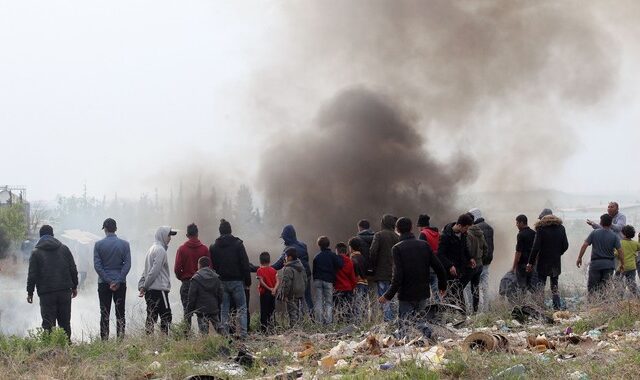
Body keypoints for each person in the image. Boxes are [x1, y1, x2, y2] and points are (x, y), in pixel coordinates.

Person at [379, 217, 447, 339]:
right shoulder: (424, 245)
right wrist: (443, 286)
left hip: (406, 294)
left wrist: (387, 295)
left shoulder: (397, 248)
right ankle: (429, 337)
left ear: (397, 230)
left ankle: (409, 346)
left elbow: (398, 276)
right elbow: (439, 267)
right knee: (419, 320)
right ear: (411, 228)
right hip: (422, 292)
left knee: (405, 326)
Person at [27, 225, 79, 340]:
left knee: (48, 324)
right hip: (64, 291)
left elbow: (32, 275)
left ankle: (50, 351)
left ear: (40, 236)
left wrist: (30, 292)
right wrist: (74, 286)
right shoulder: (64, 249)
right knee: (65, 323)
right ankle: (66, 348)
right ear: (53, 235)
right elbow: (73, 269)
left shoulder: (36, 252)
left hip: (46, 293)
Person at [209, 219, 251, 339]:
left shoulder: (213, 247)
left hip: (222, 282)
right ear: (230, 230)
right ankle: (243, 334)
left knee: (224, 310)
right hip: (237, 282)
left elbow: (214, 266)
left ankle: (225, 336)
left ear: (220, 231)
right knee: (241, 308)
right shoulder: (238, 244)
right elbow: (245, 264)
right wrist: (248, 281)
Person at [93, 218, 131, 340]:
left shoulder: (98, 245)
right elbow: (127, 264)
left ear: (104, 229)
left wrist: (109, 281)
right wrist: (118, 280)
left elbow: (97, 266)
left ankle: (104, 341)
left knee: (104, 313)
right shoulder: (125, 244)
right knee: (120, 313)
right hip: (120, 284)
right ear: (115, 229)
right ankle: (120, 340)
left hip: (104, 284)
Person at [526, 209, 568, 310]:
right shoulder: (561, 228)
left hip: (543, 262)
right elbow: (565, 245)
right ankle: (557, 307)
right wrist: (558, 253)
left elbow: (535, 248)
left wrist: (530, 263)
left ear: (543, 217)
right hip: (555, 261)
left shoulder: (540, 229)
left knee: (541, 285)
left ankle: (540, 307)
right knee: (554, 286)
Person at [138, 226, 176, 335]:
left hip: (151, 290)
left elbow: (145, 270)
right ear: (162, 235)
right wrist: (144, 286)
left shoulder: (151, 249)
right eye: (169, 235)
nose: (170, 238)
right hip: (159, 290)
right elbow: (154, 270)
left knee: (151, 317)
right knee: (166, 315)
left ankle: (149, 340)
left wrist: (143, 285)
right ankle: (164, 340)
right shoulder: (160, 250)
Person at [174, 223, 211, 334]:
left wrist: (182, 278)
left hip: (187, 284)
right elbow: (210, 268)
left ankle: (186, 338)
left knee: (187, 312)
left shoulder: (182, 249)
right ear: (197, 234)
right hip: (202, 285)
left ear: (187, 235)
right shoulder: (204, 249)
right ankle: (204, 340)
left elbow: (177, 269)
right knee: (203, 313)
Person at [577, 214, 624, 296]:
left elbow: (585, 245)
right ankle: (604, 307)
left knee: (592, 288)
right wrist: (623, 264)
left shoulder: (594, 233)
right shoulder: (614, 236)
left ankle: (592, 306)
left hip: (595, 264)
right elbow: (620, 251)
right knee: (605, 289)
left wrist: (579, 258)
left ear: (601, 222)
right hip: (609, 265)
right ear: (610, 224)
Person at [438, 214, 476, 312]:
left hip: (460, 269)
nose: (466, 231)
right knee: (452, 294)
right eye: (466, 228)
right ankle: (450, 315)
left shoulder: (463, 234)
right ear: (459, 225)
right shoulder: (445, 236)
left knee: (458, 292)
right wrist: (450, 265)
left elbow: (464, 249)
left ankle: (460, 315)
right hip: (449, 272)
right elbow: (440, 254)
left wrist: (470, 258)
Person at [272, 225, 313, 313]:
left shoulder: (289, 250)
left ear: (287, 237)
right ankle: (312, 319)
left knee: (295, 301)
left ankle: (299, 322)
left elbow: (278, 265)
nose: (283, 240)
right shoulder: (303, 245)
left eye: (284, 238)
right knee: (307, 298)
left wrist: (265, 268)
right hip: (306, 275)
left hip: (296, 278)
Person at [369, 214, 399, 321]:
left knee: (384, 297)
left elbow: (373, 252)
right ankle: (395, 320)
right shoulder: (397, 237)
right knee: (393, 298)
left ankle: (388, 322)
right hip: (395, 273)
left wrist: (372, 266)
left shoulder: (379, 235)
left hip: (382, 273)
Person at [185, 256, 223, 335]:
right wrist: (218, 304)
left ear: (199, 265)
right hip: (213, 307)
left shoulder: (195, 279)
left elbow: (191, 297)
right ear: (209, 265)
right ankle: (228, 341)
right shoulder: (216, 277)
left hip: (201, 310)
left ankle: (206, 346)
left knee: (203, 332)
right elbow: (220, 293)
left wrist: (189, 311)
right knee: (219, 327)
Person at [312, 236, 343, 324]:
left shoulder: (316, 256)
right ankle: (328, 322)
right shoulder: (332, 255)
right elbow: (340, 264)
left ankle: (319, 322)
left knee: (318, 301)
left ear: (319, 245)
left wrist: (315, 279)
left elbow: (314, 270)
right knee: (329, 302)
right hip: (328, 280)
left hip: (318, 280)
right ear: (328, 244)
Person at [468, 208, 494, 312]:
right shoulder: (490, 227)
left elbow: (476, 247)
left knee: (474, 286)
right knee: (485, 286)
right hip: (487, 261)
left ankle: (473, 309)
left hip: (478, 262)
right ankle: (486, 309)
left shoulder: (474, 229)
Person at [276, 247, 307, 327]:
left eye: (285, 256)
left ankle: (294, 331)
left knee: (292, 312)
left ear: (289, 257)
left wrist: (285, 295)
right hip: (300, 292)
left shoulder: (288, 268)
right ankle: (300, 328)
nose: (285, 258)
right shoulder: (301, 266)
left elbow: (286, 284)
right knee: (298, 311)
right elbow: (305, 279)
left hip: (291, 294)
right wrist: (303, 289)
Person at [464, 213, 487, 313]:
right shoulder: (480, 232)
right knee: (475, 288)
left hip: (471, 265)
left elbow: (467, 249)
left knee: (462, 287)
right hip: (480, 264)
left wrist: (468, 261)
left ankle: (466, 310)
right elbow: (486, 248)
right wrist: (481, 259)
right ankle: (475, 310)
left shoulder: (468, 233)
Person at [417, 214, 441, 302]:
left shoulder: (423, 234)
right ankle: (439, 312)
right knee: (436, 292)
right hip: (436, 265)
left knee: (425, 294)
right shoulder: (437, 233)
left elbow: (420, 252)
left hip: (426, 267)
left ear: (421, 226)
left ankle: (426, 313)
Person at [511, 214, 537, 294]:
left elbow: (518, 252)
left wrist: (513, 267)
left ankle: (523, 304)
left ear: (522, 223)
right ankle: (535, 303)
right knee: (531, 286)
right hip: (532, 264)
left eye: (517, 223)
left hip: (522, 265)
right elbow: (536, 249)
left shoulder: (520, 235)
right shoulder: (534, 233)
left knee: (522, 287)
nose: (516, 225)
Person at [334, 242, 357, 322]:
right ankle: (348, 322)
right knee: (348, 307)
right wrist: (353, 287)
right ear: (346, 251)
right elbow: (352, 277)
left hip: (337, 288)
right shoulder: (349, 261)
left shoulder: (335, 261)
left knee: (337, 308)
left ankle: (339, 322)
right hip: (348, 288)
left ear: (337, 250)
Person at [257, 251, 278, 333]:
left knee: (264, 311)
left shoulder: (259, 270)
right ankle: (273, 328)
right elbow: (278, 281)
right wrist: (274, 289)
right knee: (272, 310)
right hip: (273, 293)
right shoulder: (273, 270)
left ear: (260, 260)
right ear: (269, 260)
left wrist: (269, 289)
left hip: (264, 293)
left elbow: (261, 282)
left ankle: (264, 330)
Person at [348, 237, 369, 322]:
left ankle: (357, 322)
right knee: (364, 304)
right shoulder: (363, 258)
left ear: (351, 247)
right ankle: (364, 321)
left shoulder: (352, 258)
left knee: (357, 303)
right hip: (365, 283)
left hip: (357, 283)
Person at [615, 225, 640, 296]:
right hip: (632, 267)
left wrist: (613, 251)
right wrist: (639, 239)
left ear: (623, 234)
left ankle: (620, 297)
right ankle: (637, 297)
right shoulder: (635, 243)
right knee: (632, 283)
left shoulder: (620, 243)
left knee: (617, 281)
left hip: (621, 267)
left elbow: (617, 254)